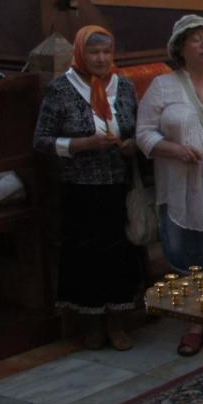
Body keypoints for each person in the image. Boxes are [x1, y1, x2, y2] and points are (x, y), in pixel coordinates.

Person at [136, 14, 203, 357]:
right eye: (196, 39)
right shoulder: (162, 86)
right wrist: (174, 150)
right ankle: (195, 321)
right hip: (179, 186)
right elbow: (143, 133)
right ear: (180, 48)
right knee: (185, 253)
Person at [33, 25, 143, 351]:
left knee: (118, 253)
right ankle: (92, 324)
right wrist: (82, 144)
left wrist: (130, 145)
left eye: (106, 52)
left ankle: (117, 322)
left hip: (118, 185)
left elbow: (139, 129)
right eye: (94, 52)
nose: (101, 59)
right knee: (86, 256)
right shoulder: (61, 89)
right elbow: (41, 141)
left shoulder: (124, 87)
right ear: (81, 53)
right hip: (79, 187)